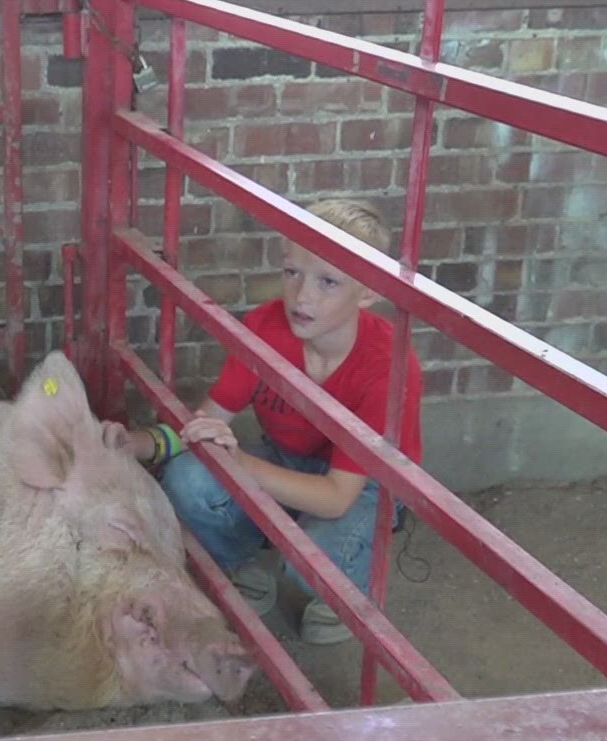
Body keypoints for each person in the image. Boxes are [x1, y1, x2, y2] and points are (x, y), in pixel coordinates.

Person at [115, 198, 422, 645]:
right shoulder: (264, 326)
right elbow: (205, 421)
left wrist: (238, 461)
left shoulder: (389, 364)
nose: (302, 296)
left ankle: (352, 589)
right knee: (187, 477)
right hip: (286, 458)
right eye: (291, 272)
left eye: (328, 282)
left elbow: (338, 497)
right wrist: (133, 444)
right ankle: (244, 565)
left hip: (365, 485)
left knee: (309, 560)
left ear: (368, 291)